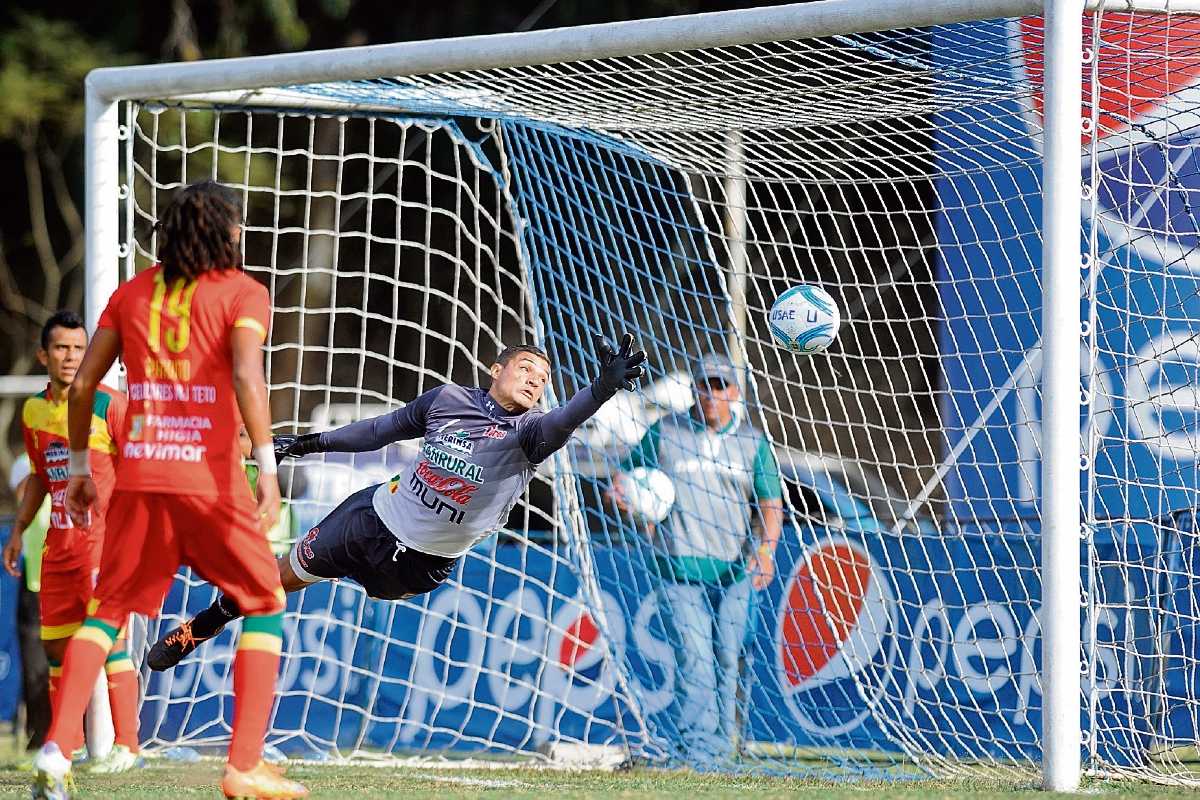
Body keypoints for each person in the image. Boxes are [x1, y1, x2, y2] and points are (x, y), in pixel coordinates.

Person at [32, 181, 306, 800]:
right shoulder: (243, 292)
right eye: (235, 227)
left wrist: (78, 466)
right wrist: (266, 464)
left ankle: (55, 751)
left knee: (105, 614)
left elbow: (82, 391)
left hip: (139, 480)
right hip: (210, 481)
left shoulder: (132, 294)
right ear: (225, 233)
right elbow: (244, 373)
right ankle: (243, 765)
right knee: (263, 602)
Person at [146, 334, 647, 672]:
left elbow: (567, 419)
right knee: (274, 581)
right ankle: (203, 625)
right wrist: (305, 443)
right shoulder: (447, 400)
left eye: (543, 378)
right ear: (496, 370)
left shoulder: (532, 435)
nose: (536, 380)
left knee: (371, 595)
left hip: (420, 568)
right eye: (526, 368)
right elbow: (378, 431)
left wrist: (601, 389)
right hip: (369, 519)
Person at [612, 353, 784, 765]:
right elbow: (622, 479)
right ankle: (700, 755)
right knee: (695, 661)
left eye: (721, 385)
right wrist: (629, 500)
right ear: (694, 388)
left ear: (735, 392)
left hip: (736, 571)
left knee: (729, 658)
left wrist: (766, 550)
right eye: (705, 384)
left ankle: (724, 750)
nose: (712, 393)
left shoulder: (753, 442)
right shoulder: (665, 430)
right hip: (677, 569)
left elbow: (770, 504)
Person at [4, 310, 140, 773]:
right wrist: (20, 530)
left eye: (79, 348)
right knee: (57, 649)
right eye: (62, 348)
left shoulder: (110, 405)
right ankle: (68, 744)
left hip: (103, 546)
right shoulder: (34, 410)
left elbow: (139, 467)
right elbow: (42, 477)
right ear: (44, 354)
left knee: (110, 643)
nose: (71, 357)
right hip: (57, 551)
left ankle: (128, 747)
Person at [7, 455, 51, 754]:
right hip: (33, 587)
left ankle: (74, 737)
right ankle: (38, 737)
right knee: (34, 666)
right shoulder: (28, 462)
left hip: (63, 583)